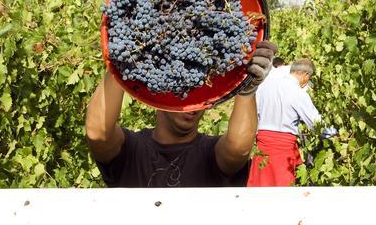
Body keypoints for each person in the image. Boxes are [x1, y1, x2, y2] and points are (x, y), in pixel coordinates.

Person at [85, 41, 277, 187]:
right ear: (158, 92)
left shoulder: (210, 154)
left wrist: (246, 91)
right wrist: (120, 63)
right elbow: (98, 133)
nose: (194, 105)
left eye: (200, 96)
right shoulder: (132, 151)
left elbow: (238, 149)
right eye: (183, 92)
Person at [247, 57, 328, 187]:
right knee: (282, 190)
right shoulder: (298, 92)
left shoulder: (267, 85)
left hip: (262, 143)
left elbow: (254, 111)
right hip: (282, 148)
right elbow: (315, 124)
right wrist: (333, 134)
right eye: (309, 78)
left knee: (260, 186)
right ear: (305, 75)